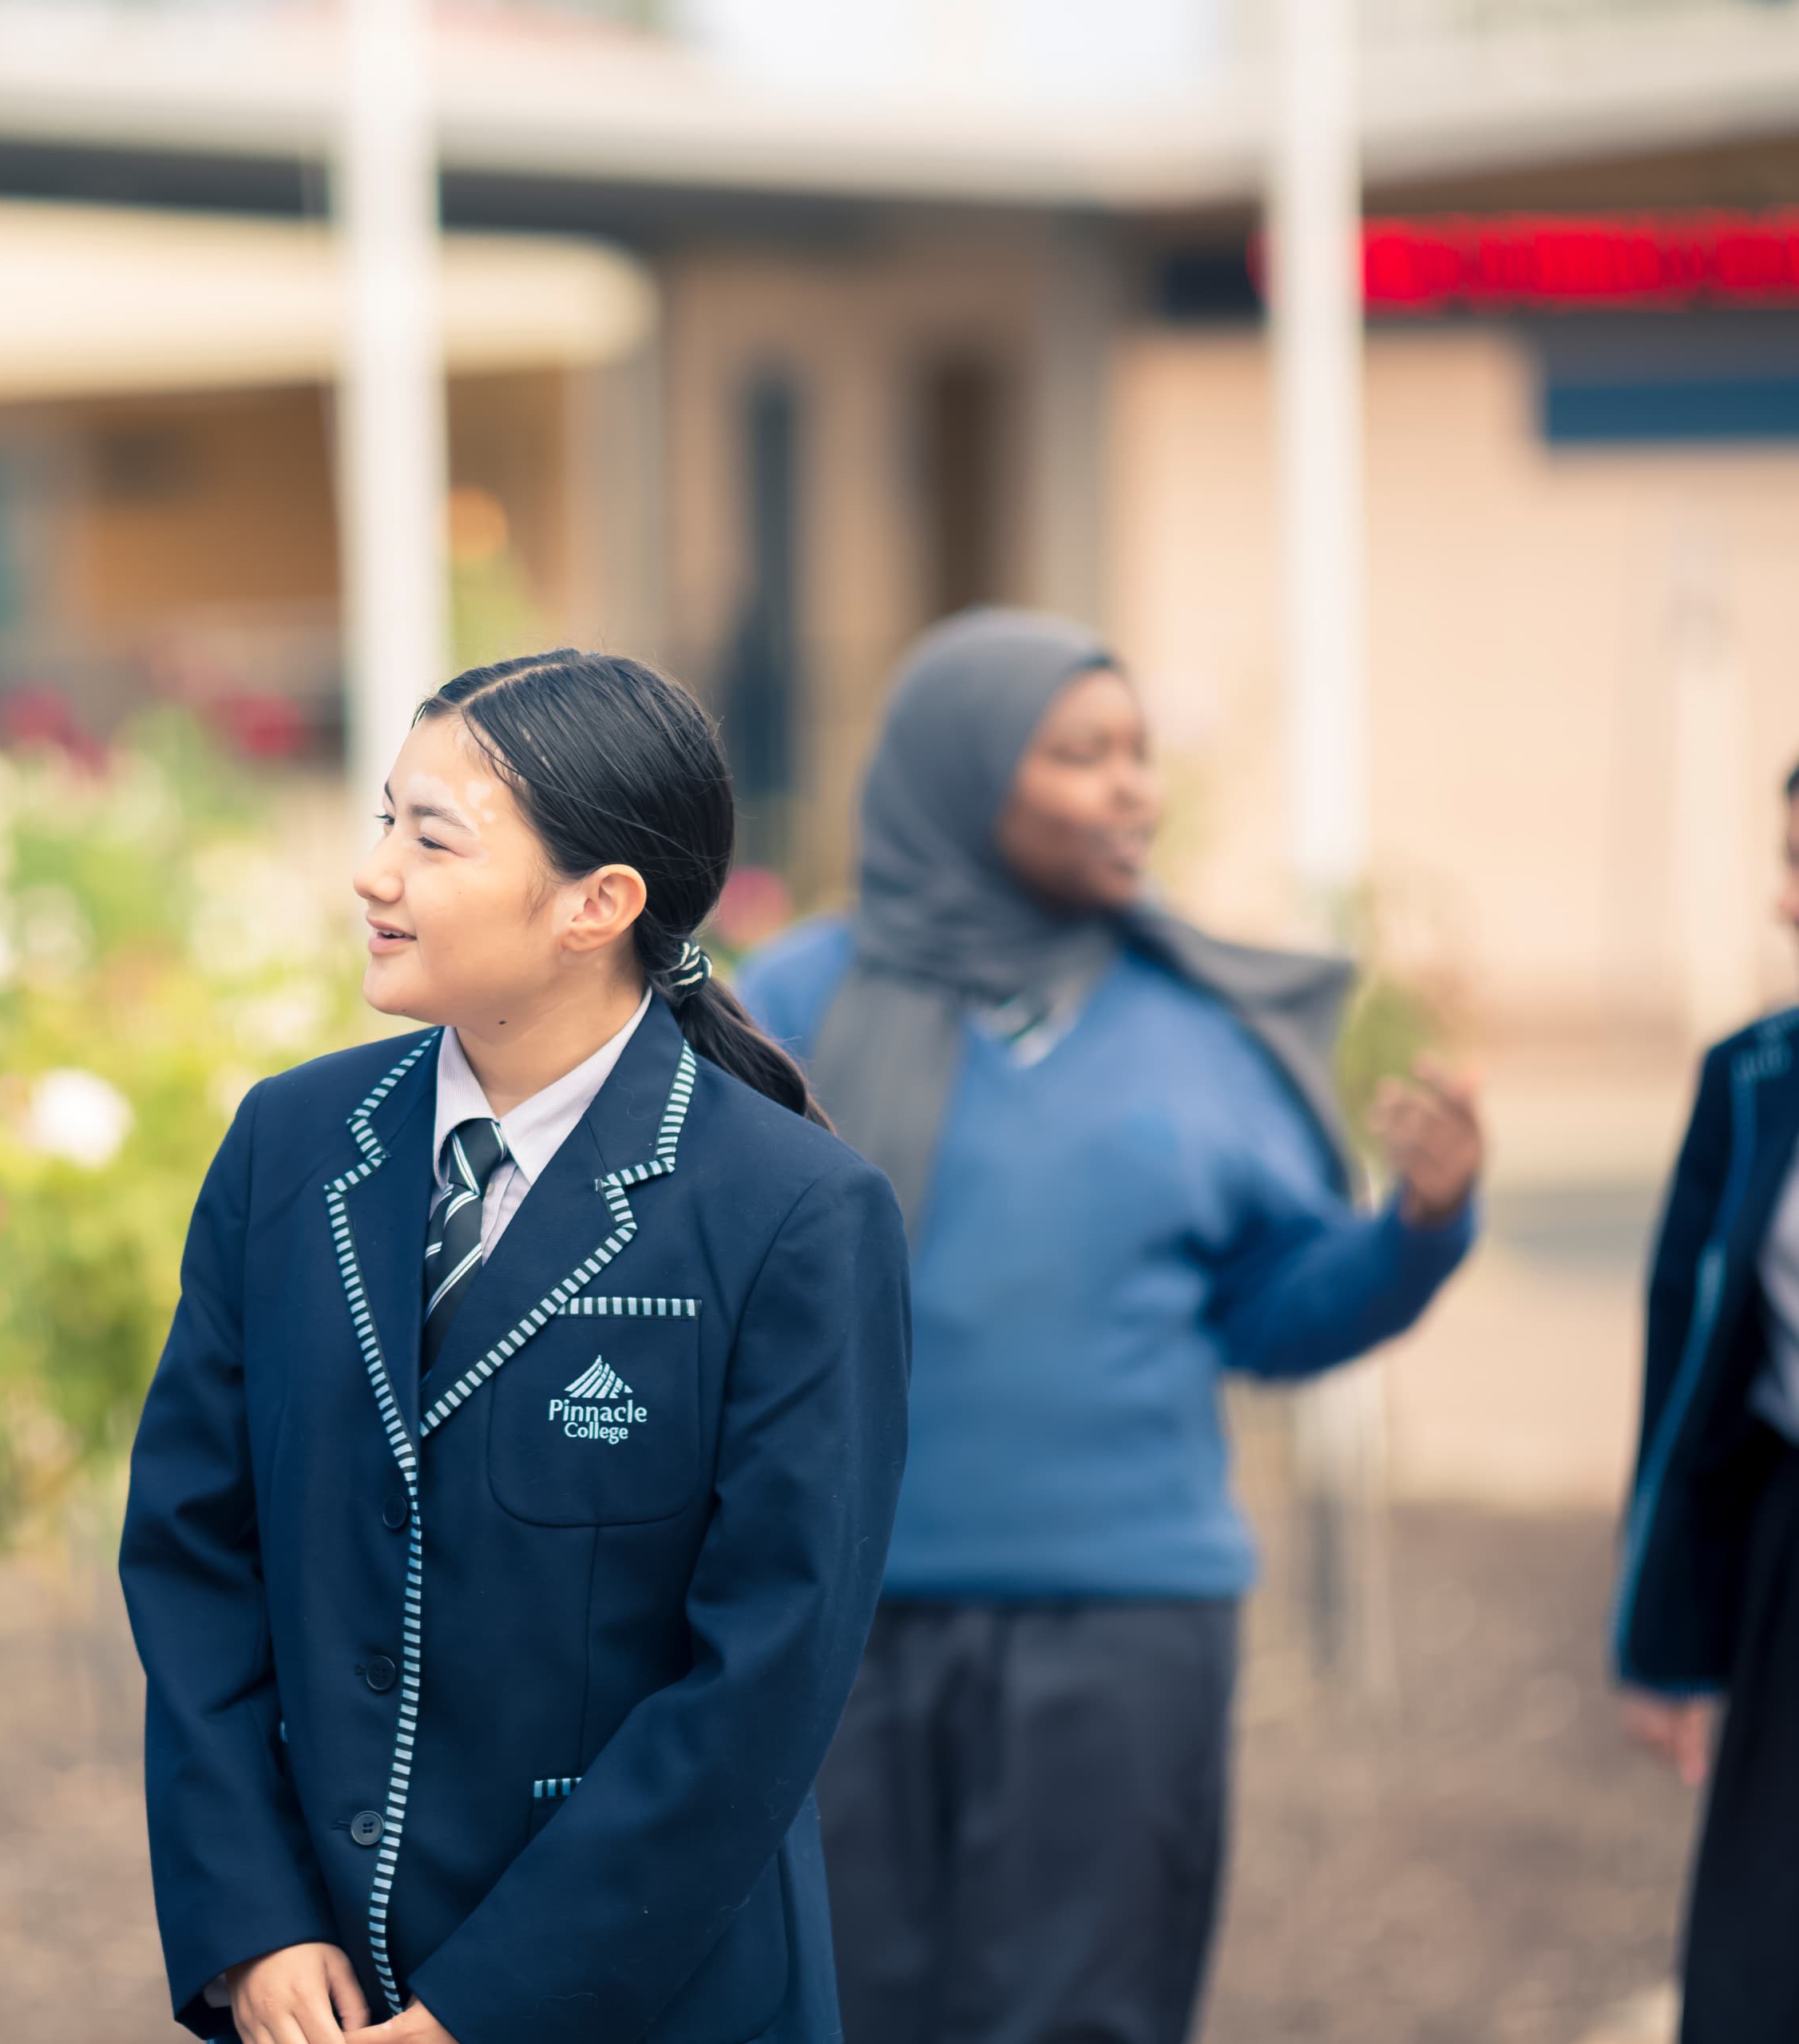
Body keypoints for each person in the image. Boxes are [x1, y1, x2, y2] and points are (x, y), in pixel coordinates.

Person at [120, 650, 911, 2044]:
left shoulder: (794, 1215)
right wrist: (252, 1919)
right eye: (384, 821)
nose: (373, 874)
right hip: (325, 1984)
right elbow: (194, 1554)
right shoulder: (291, 1148)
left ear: (598, 906)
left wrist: (486, 2010)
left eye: (431, 839)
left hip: (650, 1997)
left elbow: (762, 1683)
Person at [738, 608, 1483, 2044]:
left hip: (1126, 1627)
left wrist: (1417, 1231)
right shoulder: (795, 1008)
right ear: (958, 772)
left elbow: (1273, 1310)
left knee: (1086, 2015)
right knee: (834, 2010)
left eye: (1139, 753)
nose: (1134, 786)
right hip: (834, 1625)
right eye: (1083, 754)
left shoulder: (1198, 1026)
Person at [1614, 760, 1799, 2044]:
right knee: (1757, 1972)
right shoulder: (1752, 1084)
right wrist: (1666, 1633)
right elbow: (1688, 1380)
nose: (1786, 905)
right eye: (1788, 863)